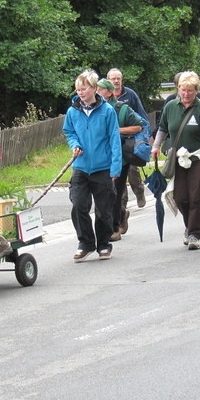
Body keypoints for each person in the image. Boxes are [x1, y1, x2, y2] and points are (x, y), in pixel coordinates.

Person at [151, 71, 200, 250]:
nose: (186, 94)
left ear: (196, 90)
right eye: (183, 90)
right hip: (178, 158)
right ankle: (188, 226)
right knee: (180, 196)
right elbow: (163, 129)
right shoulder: (171, 107)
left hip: (198, 157)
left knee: (195, 195)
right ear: (178, 89)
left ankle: (194, 234)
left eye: (190, 90)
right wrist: (156, 145)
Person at [63, 70, 122, 261]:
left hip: (103, 167)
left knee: (104, 210)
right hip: (80, 166)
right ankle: (85, 243)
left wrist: (115, 167)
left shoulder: (107, 111)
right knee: (78, 205)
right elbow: (69, 132)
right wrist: (75, 145)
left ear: (95, 89)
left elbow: (114, 139)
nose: (80, 92)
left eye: (84, 88)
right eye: (78, 89)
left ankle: (103, 244)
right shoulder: (72, 111)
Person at [95, 78, 147, 241]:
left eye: (100, 89)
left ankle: (115, 228)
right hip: (100, 157)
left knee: (115, 193)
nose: (97, 92)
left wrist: (117, 130)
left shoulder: (121, 108)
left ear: (110, 92)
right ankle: (122, 214)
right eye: (96, 89)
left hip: (121, 157)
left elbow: (139, 125)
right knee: (104, 192)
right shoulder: (94, 109)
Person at [107, 68, 149, 210]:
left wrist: (144, 138)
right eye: (113, 79)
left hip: (129, 141)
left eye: (118, 78)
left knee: (132, 171)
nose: (116, 81)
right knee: (117, 176)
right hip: (112, 144)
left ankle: (139, 191)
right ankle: (122, 207)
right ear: (108, 81)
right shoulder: (102, 98)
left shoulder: (130, 94)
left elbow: (142, 117)